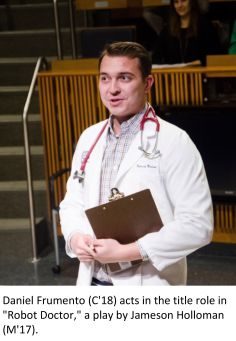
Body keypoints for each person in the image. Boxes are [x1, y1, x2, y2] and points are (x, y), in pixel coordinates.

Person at [59, 41, 213, 286]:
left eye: (125, 78)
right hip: (92, 281)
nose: (113, 89)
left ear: (147, 83)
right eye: (105, 78)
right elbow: (72, 202)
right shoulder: (89, 137)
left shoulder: (174, 141)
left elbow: (198, 226)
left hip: (149, 285)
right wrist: (75, 237)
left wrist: (128, 251)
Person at [152, 0, 218, 65]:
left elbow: (214, 56)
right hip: (174, 74)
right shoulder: (167, 30)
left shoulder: (205, 26)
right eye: (176, 2)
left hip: (200, 73)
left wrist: (200, 62)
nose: (180, 5)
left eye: (183, 1)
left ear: (191, 2)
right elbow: (156, 57)